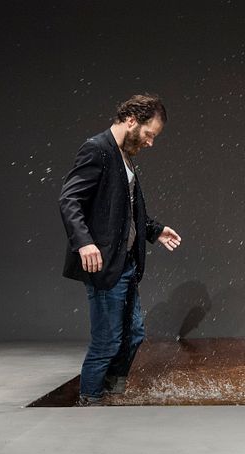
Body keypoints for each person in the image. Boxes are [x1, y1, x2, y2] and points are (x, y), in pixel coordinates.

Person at [59, 94, 182, 406]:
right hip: (104, 265)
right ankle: (91, 399)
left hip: (125, 263)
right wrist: (84, 242)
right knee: (107, 340)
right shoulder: (97, 149)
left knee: (134, 335)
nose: (151, 143)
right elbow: (70, 199)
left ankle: (112, 393)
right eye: (149, 134)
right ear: (131, 121)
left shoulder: (124, 156)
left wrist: (154, 230)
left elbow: (124, 210)